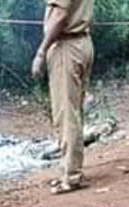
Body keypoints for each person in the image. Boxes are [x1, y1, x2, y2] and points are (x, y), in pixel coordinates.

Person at [32, 0, 94, 194]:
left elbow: (59, 16)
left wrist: (41, 52)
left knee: (66, 113)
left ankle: (71, 176)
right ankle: (72, 170)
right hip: (82, 41)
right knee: (74, 111)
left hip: (66, 47)